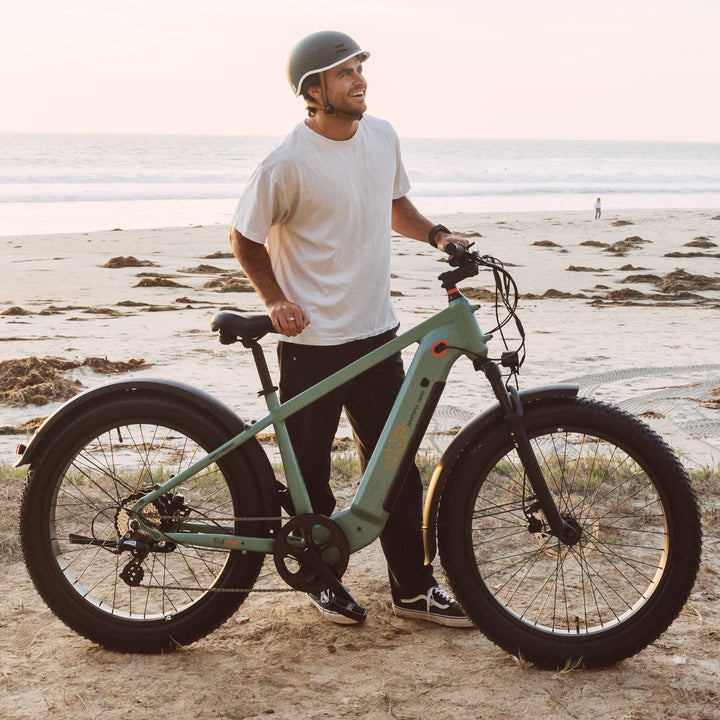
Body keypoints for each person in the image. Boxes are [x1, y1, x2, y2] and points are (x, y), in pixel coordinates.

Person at [229, 31, 472, 628]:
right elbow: (244, 237)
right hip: (311, 344)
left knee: (395, 465)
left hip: (375, 334)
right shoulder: (285, 163)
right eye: (345, 73)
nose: (359, 80)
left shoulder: (382, 137)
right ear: (313, 91)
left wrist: (438, 234)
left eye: (360, 68)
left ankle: (412, 590)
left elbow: (396, 206)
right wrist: (276, 299)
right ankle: (321, 579)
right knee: (312, 480)